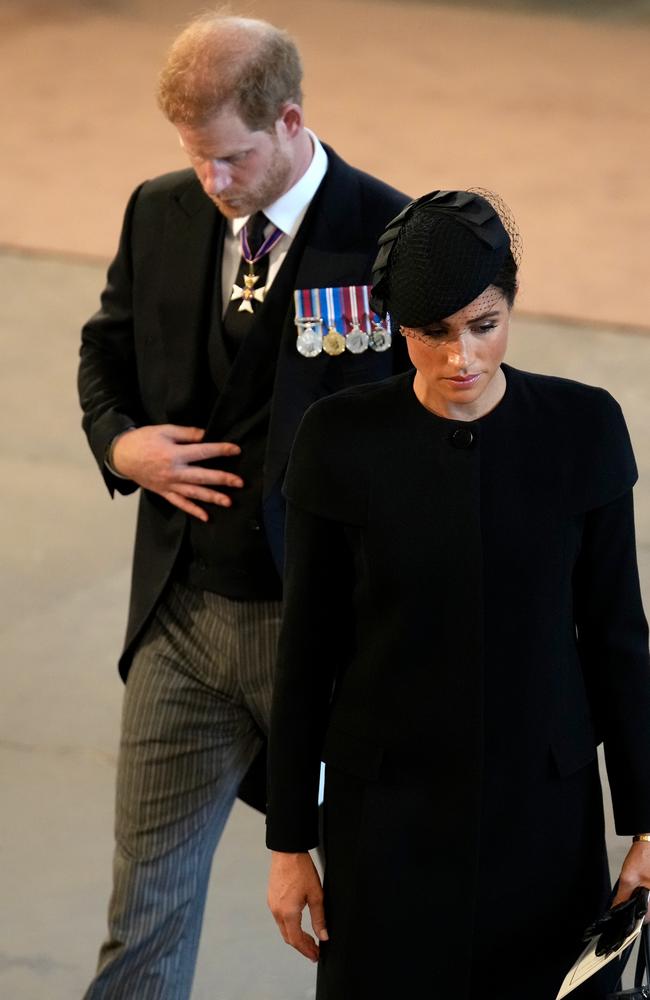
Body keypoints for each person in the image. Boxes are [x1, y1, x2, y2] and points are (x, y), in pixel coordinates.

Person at [77, 11, 409, 997]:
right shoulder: (160, 210)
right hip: (179, 619)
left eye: (227, 158)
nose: (210, 183)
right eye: (193, 158)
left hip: (322, 632)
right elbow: (106, 346)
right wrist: (119, 443)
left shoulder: (387, 236)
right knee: (142, 919)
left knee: (359, 913)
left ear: (291, 119)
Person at [266, 189, 650, 999]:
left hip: (543, 820)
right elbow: (307, 651)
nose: (460, 359)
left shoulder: (583, 430)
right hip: (386, 829)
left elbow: (618, 639)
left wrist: (648, 817)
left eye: (484, 325)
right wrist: (290, 841)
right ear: (399, 328)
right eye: (430, 335)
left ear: (511, 305)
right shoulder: (339, 441)